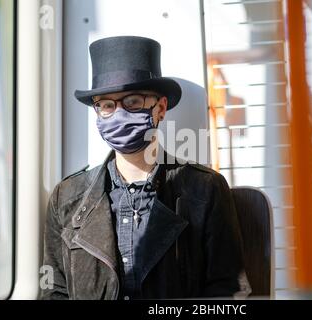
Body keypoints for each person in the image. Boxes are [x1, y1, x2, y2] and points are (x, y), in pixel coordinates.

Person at [41, 36, 251, 300]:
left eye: (132, 102)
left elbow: (227, 291)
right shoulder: (66, 199)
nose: (118, 114)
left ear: (160, 108)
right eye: (106, 105)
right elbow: (54, 292)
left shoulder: (205, 189)